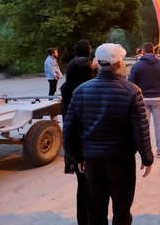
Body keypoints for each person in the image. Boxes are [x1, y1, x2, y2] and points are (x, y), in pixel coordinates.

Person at [63, 43, 153, 225]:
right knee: (122, 210)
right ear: (120, 64)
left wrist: (76, 157)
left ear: (97, 63)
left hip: (92, 160)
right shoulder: (132, 91)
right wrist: (147, 157)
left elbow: (69, 128)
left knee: (95, 210)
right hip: (121, 160)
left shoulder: (81, 91)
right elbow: (140, 128)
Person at [60, 39, 94, 225]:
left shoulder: (67, 91)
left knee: (82, 185)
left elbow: (68, 123)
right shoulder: (90, 92)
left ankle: (83, 220)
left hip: (75, 143)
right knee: (95, 187)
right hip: (90, 143)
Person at [129, 42, 160, 158]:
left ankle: (144, 152)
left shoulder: (137, 66)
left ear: (142, 52)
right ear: (153, 51)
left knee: (144, 126)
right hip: (158, 98)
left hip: (142, 99)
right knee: (159, 125)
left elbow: (131, 84)